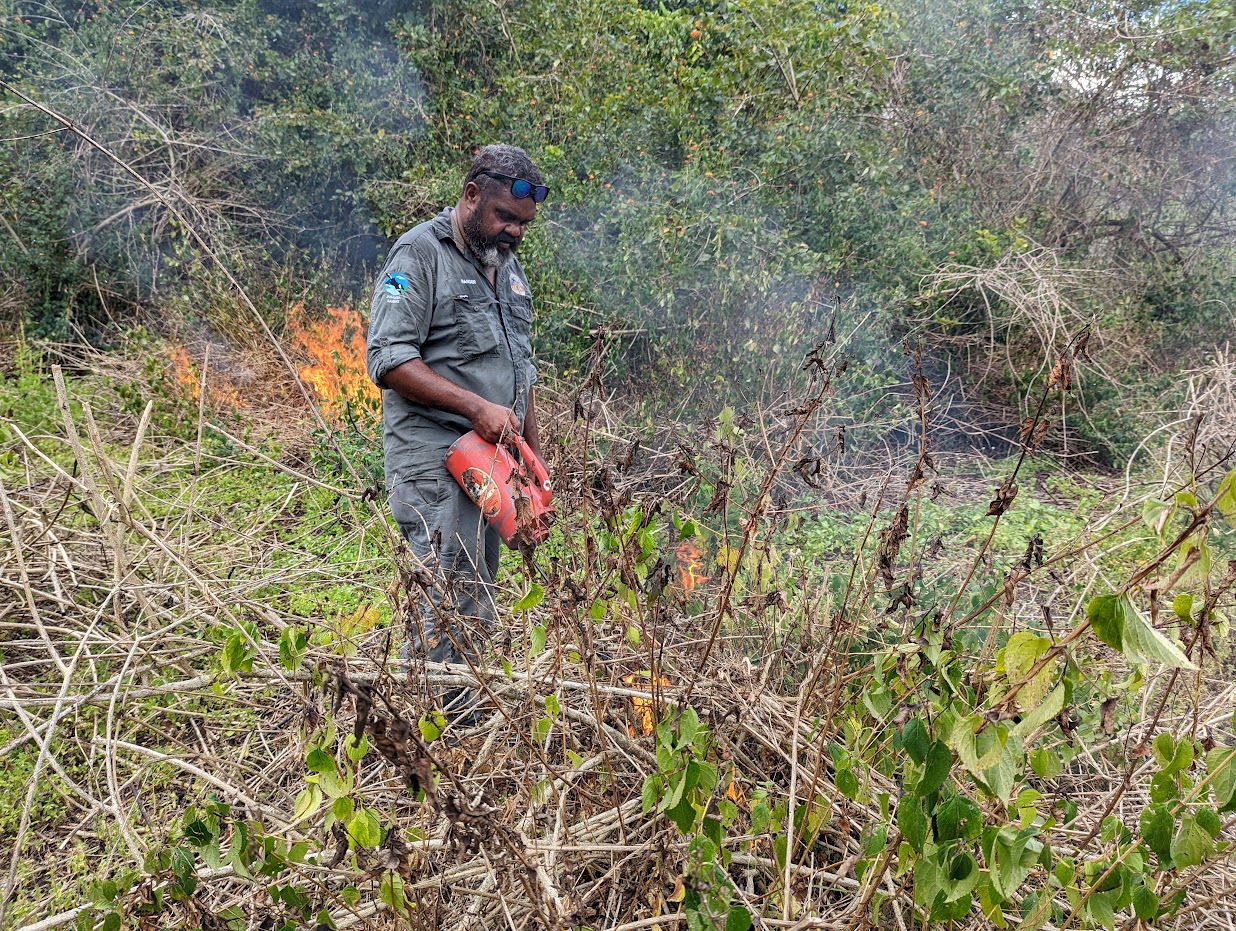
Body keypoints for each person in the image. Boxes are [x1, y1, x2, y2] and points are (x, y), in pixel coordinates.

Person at [366, 144, 547, 690]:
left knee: (479, 589)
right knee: (447, 589)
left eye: (523, 224)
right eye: (505, 218)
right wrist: (474, 407)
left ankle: (464, 725)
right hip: (433, 459)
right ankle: (429, 728)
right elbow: (388, 358)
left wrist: (535, 465)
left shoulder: (510, 273)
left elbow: (523, 371)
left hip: (493, 463)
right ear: (471, 196)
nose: (515, 233)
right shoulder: (417, 256)